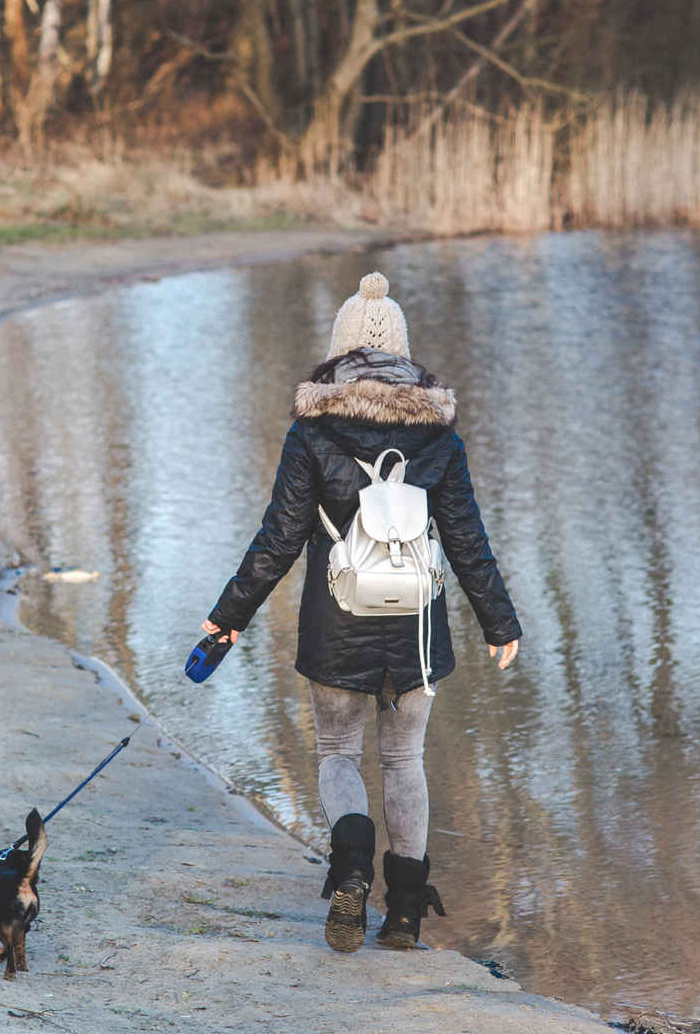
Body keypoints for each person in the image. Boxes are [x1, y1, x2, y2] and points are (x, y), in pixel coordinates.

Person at [202, 271, 521, 954]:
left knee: (339, 752)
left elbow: (279, 538)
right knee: (405, 760)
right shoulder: (439, 436)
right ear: (404, 357)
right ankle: (404, 914)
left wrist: (230, 616)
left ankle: (351, 865)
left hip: (336, 619)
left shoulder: (312, 432)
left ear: (339, 352)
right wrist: (501, 623)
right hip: (417, 625)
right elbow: (466, 538)